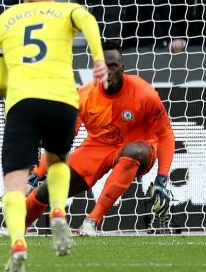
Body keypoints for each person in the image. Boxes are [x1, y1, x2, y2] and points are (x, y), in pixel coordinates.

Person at [0, 0, 106, 272]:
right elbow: (88, 19)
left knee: (14, 184)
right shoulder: (67, 10)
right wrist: (98, 59)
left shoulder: (5, 20)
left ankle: (17, 241)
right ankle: (57, 210)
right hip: (63, 101)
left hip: (23, 103)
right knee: (57, 161)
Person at [25, 42, 176, 235]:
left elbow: (165, 134)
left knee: (135, 151)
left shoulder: (145, 94)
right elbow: (62, 140)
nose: (108, 72)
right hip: (97, 147)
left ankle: (92, 221)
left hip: (140, 147)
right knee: (49, 189)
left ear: (123, 68)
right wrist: (36, 175)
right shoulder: (84, 95)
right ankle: (17, 227)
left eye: (113, 66)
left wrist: (162, 179)